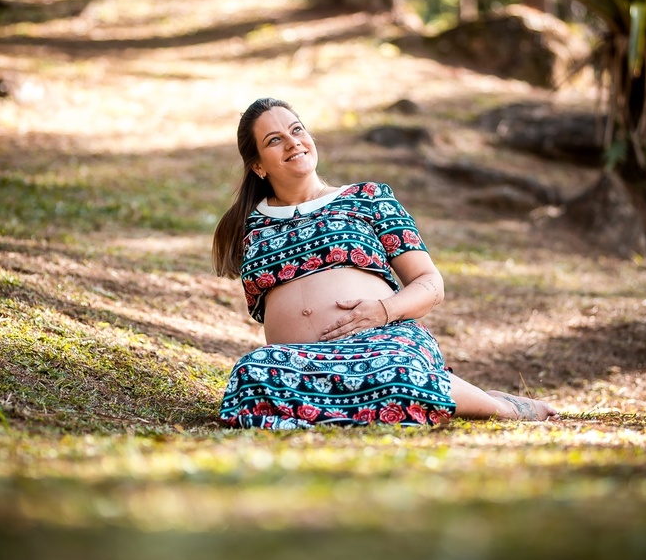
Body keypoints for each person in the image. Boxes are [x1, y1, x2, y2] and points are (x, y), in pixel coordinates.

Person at [212, 97, 557, 429]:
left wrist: (383, 311)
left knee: (396, 374)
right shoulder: (247, 226)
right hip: (299, 362)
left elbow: (430, 283)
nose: (293, 143)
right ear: (257, 164)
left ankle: (503, 407)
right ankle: (414, 396)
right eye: (275, 140)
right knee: (250, 375)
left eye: (297, 130)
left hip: (381, 343)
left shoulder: (368, 198)